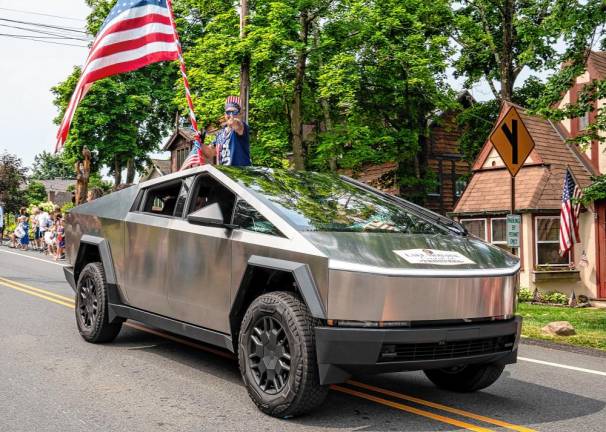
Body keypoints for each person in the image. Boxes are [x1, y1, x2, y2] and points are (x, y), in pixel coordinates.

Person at [201, 95, 251, 166]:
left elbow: (237, 124)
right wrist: (199, 142)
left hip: (241, 173)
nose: (231, 115)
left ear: (240, 114)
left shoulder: (242, 127)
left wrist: (232, 122)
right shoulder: (220, 134)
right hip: (225, 175)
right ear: (224, 114)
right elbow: (210, 153)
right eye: (228, 112)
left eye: (234, 112)